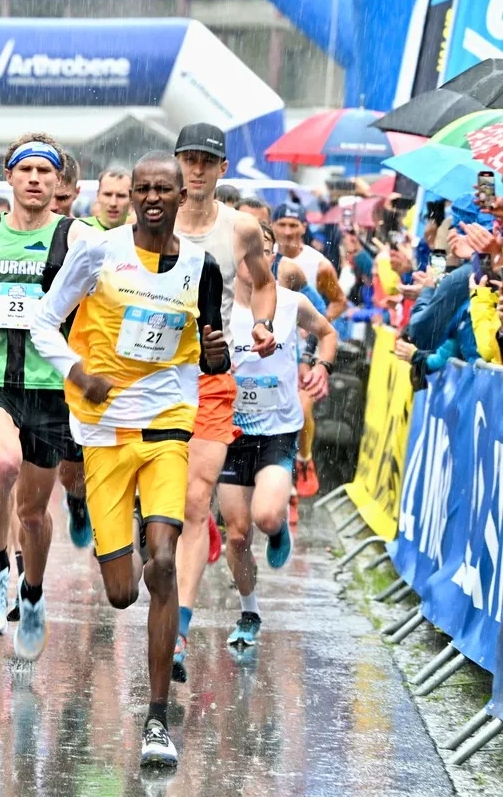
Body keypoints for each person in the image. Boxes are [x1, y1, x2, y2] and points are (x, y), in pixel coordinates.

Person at [31, 151, 230, 768]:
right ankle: (125, 532)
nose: (151, 198)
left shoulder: (202, 267)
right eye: (142, 188)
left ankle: (157, 719)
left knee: (164, 562)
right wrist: (78, 374)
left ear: (181, 196)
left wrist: (221, 356)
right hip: (104, 431)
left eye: (163, 189)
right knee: (121, 593)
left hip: (168, 425)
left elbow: (213, 354)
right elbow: (43, 323)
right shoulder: (98, 252)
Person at [0, 133, 87, 659]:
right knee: (4, 463)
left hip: (50, 391)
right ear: (8, 176)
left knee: (33, 514)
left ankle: (32, 593)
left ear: (59, 181)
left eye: (44, 171)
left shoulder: (76, 237)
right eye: (26, 169)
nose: (35, 179)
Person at [172, 123, 277, 685]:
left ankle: (179, 631)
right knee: (156, 518)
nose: (196, 169)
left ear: (222, 169)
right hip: (150, 381)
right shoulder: (150, 221)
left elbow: (263, 283)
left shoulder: (240, 227)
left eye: (206, 161)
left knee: (195, 503)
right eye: (188, 158)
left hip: (210, 380)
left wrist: (261, 324)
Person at [219, 220, 336, 648]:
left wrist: (322, 366)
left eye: (264, 250)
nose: (254, 257)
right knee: (236, 535)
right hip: (230, 431)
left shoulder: (290, 303)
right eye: (246, 249)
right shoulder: (216, 307)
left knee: (266, 517)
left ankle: (278, 528)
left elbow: (327, 333)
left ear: (271, 258)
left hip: (278, 430)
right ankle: (249, 611)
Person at [271, 202, 347, 499]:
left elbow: (339, 301)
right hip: (273, 347)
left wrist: (314, 324)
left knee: (301, 409)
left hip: (308, 349)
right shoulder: (263, 257)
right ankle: (280, 478)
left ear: (304, 227)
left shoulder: (319, 264)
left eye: (294, 224)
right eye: (282, 224)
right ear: (273, 226)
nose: (288, 231)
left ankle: (303, 460)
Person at [50, 156, 92, 548]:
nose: (52, 204)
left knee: (78, 465)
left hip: (80, 365)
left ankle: (82, 500)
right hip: (32, 367)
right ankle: (77, 499)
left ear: (76, 193)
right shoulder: (11, 234)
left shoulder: (87, 240)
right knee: (62, 471)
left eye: (62, 197)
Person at [85, 167, 132, 231]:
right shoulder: (79, 230)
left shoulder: (141, 234)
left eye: (121, 196)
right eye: (107, 195)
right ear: (98, 195)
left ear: (132, 198)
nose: (113, 203)